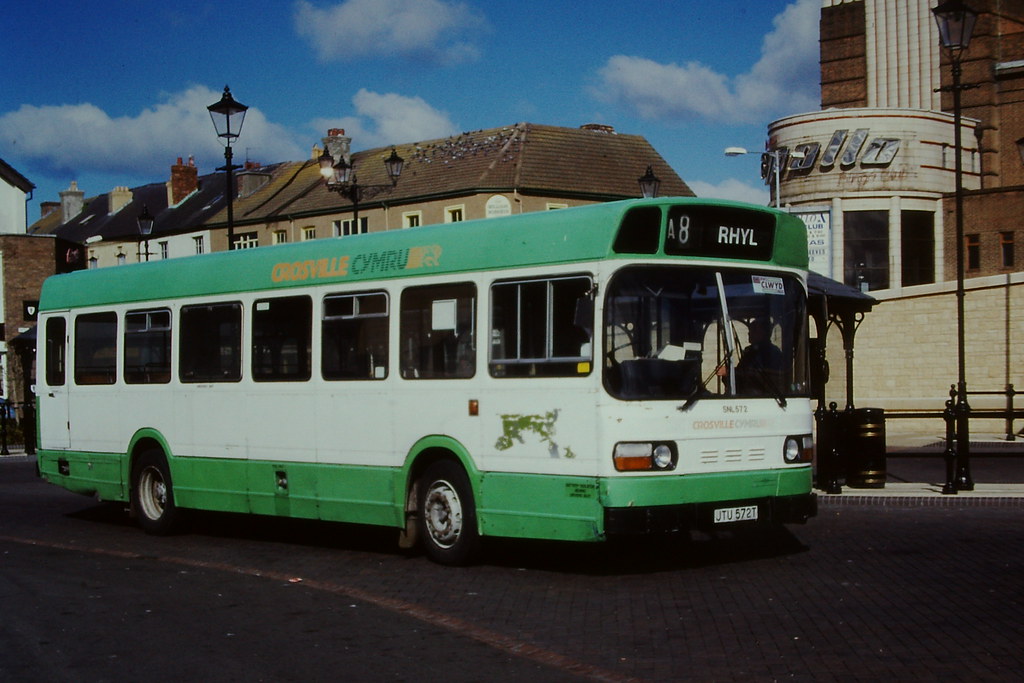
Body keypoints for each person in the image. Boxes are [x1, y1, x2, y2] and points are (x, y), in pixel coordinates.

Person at [736, 317, 783, 393]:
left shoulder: (772, 353)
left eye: (753, 330)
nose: (749, 333)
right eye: (750, 330)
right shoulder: (749, 351)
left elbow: (763, 376)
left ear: (763, 333)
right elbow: (741, 374)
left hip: (764, 397)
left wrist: (730, 372)